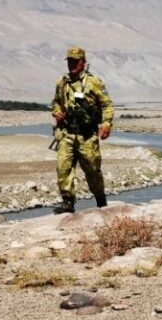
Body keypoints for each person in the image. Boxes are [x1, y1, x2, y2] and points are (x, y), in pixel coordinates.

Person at [51, 46, 114, 214]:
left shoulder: (93, 82)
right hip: (67, 133)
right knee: (63, 167)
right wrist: (56, 112)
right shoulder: (62, 83)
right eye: (70, 61)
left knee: (93, 170)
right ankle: (68, 202)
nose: (72, 64)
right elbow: (55, 102)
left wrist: (106, 124)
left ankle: (101, 200)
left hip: (87, 135)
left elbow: (107, 104)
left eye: (75, 61)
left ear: (83, 62)